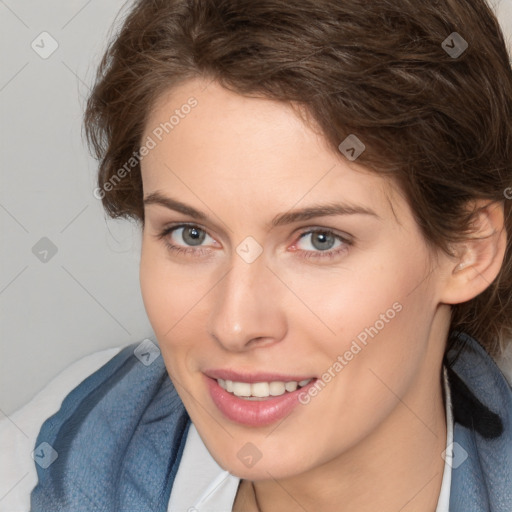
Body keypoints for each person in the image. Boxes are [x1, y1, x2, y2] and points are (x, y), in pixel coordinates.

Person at [9, 0, 512, 510]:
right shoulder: (41, 454)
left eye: (319, 239)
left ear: (468, 250)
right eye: (190, 234)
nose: (234, 323)